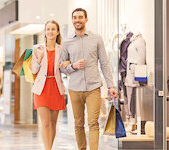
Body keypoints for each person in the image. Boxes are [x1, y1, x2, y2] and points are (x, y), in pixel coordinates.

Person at [60, 8, 118, 150]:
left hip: (93, 88)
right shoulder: (66, 42)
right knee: (79, 124)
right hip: (74, 88)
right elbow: (61, 67)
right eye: (74, 17)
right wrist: (73, 66)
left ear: (86, 19)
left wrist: (111, 86)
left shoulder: (96, 38)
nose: (77, 20)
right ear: (72, 20)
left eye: (80, 17)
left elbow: (104, 63)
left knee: (93, 123)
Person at [31, 20, 70, 150]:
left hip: (56, 87)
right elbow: (33, 70)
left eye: (53, 29)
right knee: (46, 123)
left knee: (53, 124)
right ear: (45, 31)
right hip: (41, 88)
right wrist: (39, 58)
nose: (50, 31)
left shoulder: (62, 49)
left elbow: (65, 70)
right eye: (48, 29)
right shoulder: (37, 48)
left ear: (57, 32)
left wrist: (67, 64)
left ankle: (50, 147)